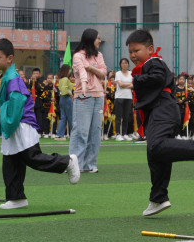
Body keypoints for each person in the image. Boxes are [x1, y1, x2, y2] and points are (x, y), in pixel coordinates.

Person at [127, 30, 194, 216]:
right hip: (158, 112)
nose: (133, 55)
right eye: (130, 52)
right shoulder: (149, 64)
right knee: (156, 155)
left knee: (157, 147)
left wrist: (135, 80)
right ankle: (158, 198)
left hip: (163, 109)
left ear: (150, 49)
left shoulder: (154, 62)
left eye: (137, 50)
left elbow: (159, 78)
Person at [0, 38, 80, 210]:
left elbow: (17, 102)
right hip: (16, 122)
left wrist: (1, 112)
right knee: (10, 161)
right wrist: (1, 110)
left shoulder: (13, 78)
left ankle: (67, 162)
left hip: (20, 123)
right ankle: (16, 197)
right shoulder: (7, 76)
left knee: (32, 157)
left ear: (9, 58)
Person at [70, 29, 107, 174]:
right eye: (98, 38)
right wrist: (85, 83)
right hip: (83, 97)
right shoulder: (78, 56)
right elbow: (82, 72)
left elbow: (103, 73)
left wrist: (91, 67)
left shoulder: (99, 55)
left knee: (95, 131)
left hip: (99, 96)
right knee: (81, 130)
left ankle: (90, 164)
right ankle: (74, 164)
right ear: (91, 40)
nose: (99, 41)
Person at [114, 58, 134, 141]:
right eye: (123, 63)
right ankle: (118, 134)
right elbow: (120, 84)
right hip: (119, 97)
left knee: (126, 117)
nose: (124, 64)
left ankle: (125, 133)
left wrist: (127, 85)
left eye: (126, 63)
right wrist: (129, 85)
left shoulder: (131, 73)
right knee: (118, 116)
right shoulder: (118, 73)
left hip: (128, 97)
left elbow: (133, 85)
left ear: (128, 64)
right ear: (120, 65)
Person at [55, 64, 74, 140]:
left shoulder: (61, 79)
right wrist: (69, 93)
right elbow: (64, 89)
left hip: (62, 99)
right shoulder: (66, 79)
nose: (70, 71)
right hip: (67, 99)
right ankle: (74, 134)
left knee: (63, 118)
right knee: (71, 117)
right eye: (69, 70)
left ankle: (59, 134)